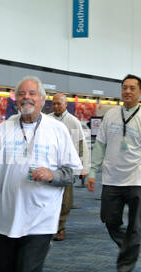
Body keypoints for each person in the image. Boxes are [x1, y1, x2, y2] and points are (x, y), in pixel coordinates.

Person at [0, 76, 82, 272]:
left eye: (32, 93)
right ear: (16, 99)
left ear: (42, 100)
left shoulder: (57, 130)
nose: (26, 97)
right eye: (21, 94)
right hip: (9, 216)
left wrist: (51, 175)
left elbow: (71, 174)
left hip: (41, 217)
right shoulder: (3, 129)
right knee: (3, 268)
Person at [86, 74, 141, 272]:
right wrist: (93, 172)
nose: (127, 91)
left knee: (136, 226)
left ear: (140, 92)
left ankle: (125, 267)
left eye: (132, 88)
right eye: (124, 88)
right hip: (111, 178)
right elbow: (100, 145)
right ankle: (130, 247)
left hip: (137, 179)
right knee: (109, 221)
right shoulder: (110, 116)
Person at [48, 93, 90, 241]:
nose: (56, 106)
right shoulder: (47, 120)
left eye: (59, 103)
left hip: (67, 167)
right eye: (54, 104)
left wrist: (83, 166)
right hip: (50, 165)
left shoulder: (73, 122)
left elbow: (80, 144)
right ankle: (48, 227)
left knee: (65, 200)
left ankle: (60, 227)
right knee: (48, 197)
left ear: (66, 104)